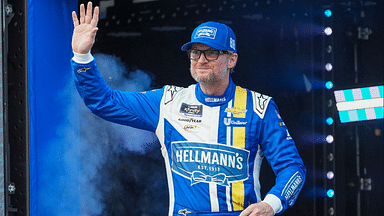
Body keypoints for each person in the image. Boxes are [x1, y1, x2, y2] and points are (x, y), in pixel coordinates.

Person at [71, 2, 306, 216]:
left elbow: (292, 167)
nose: (201, 59)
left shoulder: (259, 107)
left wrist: (271, 204)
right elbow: (103, 101)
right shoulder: (168, 102)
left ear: (232, 59)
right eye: (195, 52)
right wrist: (82, 56)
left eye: (211, 52)